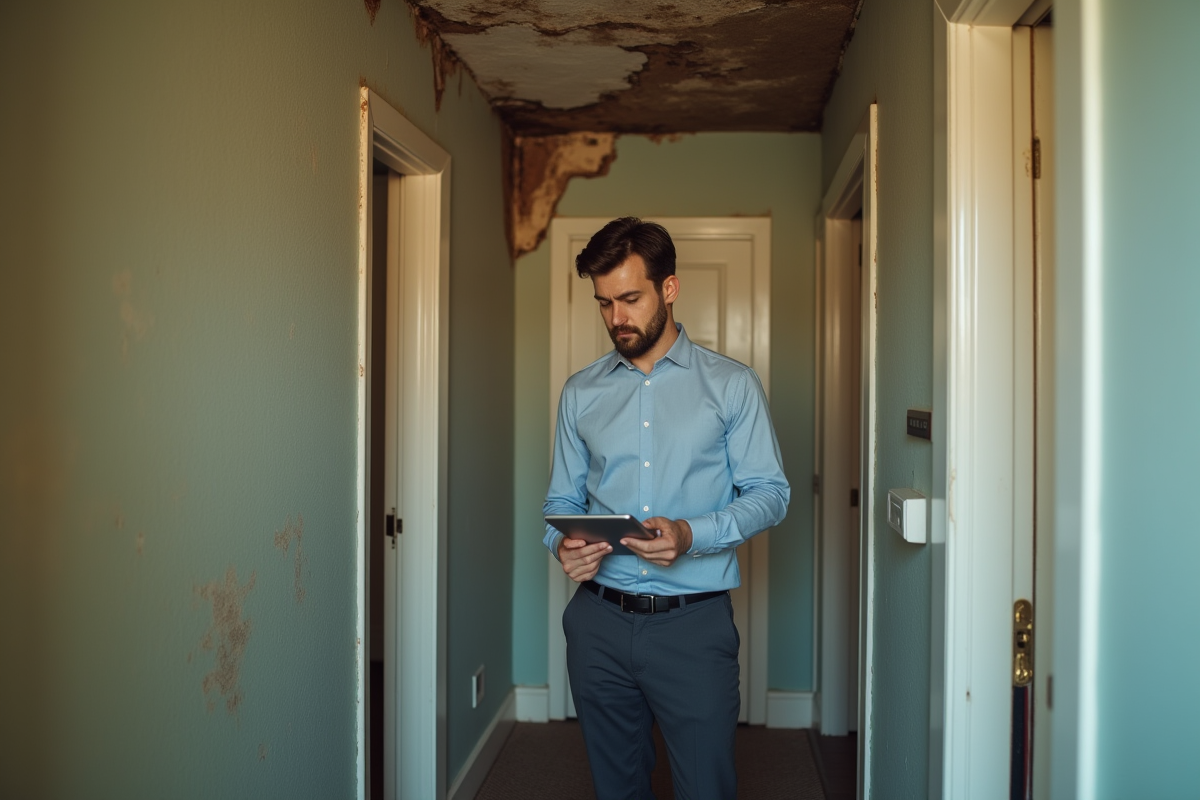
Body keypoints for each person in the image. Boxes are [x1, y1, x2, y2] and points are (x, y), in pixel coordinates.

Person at [543, 217, 790, 800]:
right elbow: (560, 502)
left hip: (693, 626)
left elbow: (771, 493)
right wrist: (562, 545)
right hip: (597, 623)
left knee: (706, 786)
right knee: (617, 787)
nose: (616, 318)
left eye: (630, 299)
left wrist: (690, 533)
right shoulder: (580, 393)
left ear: (670, 288)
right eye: (604, 303)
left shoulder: (733, 386)